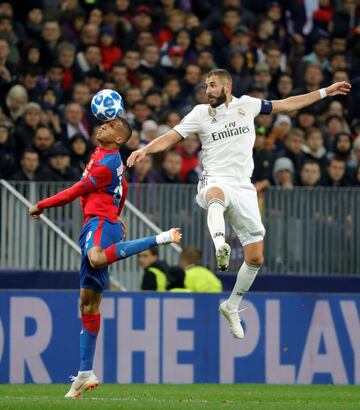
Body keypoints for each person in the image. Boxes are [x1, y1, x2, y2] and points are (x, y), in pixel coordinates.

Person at [127, 68, 351, 339]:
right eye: (205, 86)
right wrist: (144, 149)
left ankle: (231, 305)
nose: (207, 90)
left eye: (212, 85)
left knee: (256, 257)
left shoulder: (248, 105)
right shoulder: (199, 114)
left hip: (244, 186)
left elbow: (288, 104)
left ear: (227, 87)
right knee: (215, 195)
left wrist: (326, 91)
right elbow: (171, 137)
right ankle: (220, 242)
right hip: (214, 178)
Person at [28, 118, 181, 398]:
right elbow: (121, 185)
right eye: (103, 125)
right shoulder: (106, 157)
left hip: (99, 224)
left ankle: (160, 238)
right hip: (100, 220)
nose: (102, 127)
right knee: (88, 304)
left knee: (97, 258)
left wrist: (42, 205)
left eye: (110, 127)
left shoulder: (105, 162)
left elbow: (75, 191)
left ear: (120, 139)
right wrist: (117, 211)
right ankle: (85, 372)